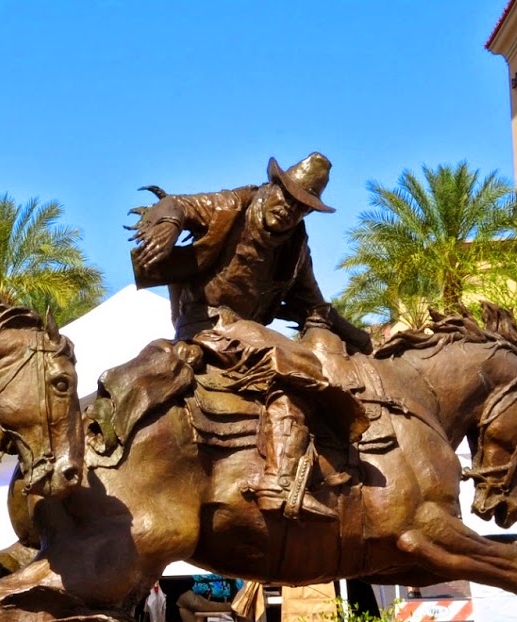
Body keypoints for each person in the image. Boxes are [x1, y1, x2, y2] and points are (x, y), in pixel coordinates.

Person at [129, 152, 371, 519]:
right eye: (287, 198)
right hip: (206, 323)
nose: (290, 210)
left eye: (302, 207)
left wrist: (362, 339)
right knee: (297, 362)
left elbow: (313, 304)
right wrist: (165, 224)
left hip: (246, 332)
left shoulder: (294, 247)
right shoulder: (232, 205)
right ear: (271, 186)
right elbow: (177, 205)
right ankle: (280, 480)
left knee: (310, 359)